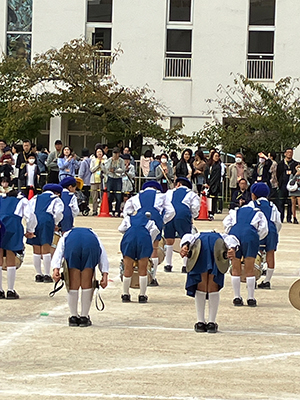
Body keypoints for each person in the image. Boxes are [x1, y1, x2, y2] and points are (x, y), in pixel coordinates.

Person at [180, 231, 238, 333]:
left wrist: (185, 245)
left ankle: (200, 322)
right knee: (213, 285)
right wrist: (232, 248)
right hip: (216, 246)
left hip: (201, 247)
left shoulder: (197, 235)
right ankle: (211, 322)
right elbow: (231, 240)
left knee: (201, 284)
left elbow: (188, 237)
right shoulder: (222, 236)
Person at [52, 227, 109, 327]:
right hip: (91, 245)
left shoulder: (66, 235)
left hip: (72, 245)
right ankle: (84, 317)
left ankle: (73, 316)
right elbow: (102, 253)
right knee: (86, 282)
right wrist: (104, 274)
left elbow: (59, 252)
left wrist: (56, 268)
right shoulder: (94, 234)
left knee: (73, 283)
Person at [123, 180, 175, 285]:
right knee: (154, 249)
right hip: (155, 220)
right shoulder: (162, 196)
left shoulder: (136, 196)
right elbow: (171, 211)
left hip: (139, 221)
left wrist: (131, 221)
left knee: (137, 249)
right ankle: (152, 277)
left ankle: (131, 278)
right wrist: (162, 220)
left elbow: (126, 211)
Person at [223, 201, 268, 307]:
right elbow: (264, 229)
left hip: (235, 233)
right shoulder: (258, 213)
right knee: (250, 268)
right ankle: (251, 298)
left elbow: (226, 224)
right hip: (250, 235)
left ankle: (237, 297)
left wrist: (230, 234)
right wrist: (256, 237)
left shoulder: (234, 212)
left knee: (235, 268)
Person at [0, 190, 37, 299]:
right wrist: (30, 230)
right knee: (11, 255)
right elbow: (30, 216)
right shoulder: (22, 200)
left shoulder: (1, 199)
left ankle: (0, 290)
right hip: (13, 226)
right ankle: (10, 290)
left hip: (0, 225)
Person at [119, 212, 159, 303]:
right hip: (144, 240)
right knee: (143, 269)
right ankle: (142, 295)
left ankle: (125, 294)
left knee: (128, 268)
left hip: (129, 240)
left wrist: (127, 233)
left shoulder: (128, 219)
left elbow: (120, 229)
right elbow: (156, 230)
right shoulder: (150, 222)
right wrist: (150, 239)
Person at [27, 184, 64, 283]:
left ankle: (38, 274)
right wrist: (55, 223)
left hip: (34, 220)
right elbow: (59, 213)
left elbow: (29, 211)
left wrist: (29, 225)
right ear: (57, 192)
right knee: (46, 248)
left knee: (36, 249)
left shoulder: (35, 197)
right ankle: (47, 274)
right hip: (46, 221)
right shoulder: (55, 199)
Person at [247, 183, 281, 289]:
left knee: (254, 254)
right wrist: (275, 231)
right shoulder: (272, 205)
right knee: (270, 253)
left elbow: (249, 219)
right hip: (271, 229)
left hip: (258, 230)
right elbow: (278, 221)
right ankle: (267, 281)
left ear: (254, 194)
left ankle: (252, 278)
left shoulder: (252, 204)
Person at [163, 177, 200, 275]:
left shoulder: (169, 192)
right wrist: (192, 216)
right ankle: (185, 265)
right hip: (183, 215)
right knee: (186, 239)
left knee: (169, 239)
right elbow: (195, 208)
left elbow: (164, 204)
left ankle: (168, 264)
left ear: (178, 184)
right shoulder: (192, 194)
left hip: (169, 215)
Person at [277, 148, 298, 223]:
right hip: (283, 185)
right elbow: (278, 174)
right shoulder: (280, 164)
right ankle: (281, 218)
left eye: (291, 152)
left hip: (292, 186)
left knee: (290, 202)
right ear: (285, 153)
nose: (289, 154)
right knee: (281, 202)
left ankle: (289, 218)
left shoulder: (295, 164)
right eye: (288, 152)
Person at [105, 147, 125, 217]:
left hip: (118, 178)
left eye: (117, 153)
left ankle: (117, 210)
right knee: (109, 195)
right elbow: (106, 168)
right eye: (114, 153)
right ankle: (110, 210)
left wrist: (115, 170)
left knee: (118, 195)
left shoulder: (121, 161)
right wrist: (111, 162)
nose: (116, 155)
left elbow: (123, 170)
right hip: (110, 178)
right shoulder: (109, 160)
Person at [204, 151, 222, 220]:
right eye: (215, 156)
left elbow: (216, 177)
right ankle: (207, 212)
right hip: (208, 183)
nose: (217, 157)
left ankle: (211, 213)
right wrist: (206, 182)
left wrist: (210, 185)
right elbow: (206, 173)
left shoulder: (218, 166)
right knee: (207, 199)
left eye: (218, 156)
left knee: (213, 200)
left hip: (214, 185)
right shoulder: (208, 165)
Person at [90, 146, 106, 216]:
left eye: (100, 152)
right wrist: (98, 165)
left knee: (102, 196)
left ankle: (102, 210)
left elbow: (105, 170)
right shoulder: (93, 160)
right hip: (94, 180)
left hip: (102, 180)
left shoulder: (105, 160)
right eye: (97, 152)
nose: (99, 153)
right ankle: (94, 210)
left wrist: (101, 165)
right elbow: (92, 169)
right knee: (94, 197)